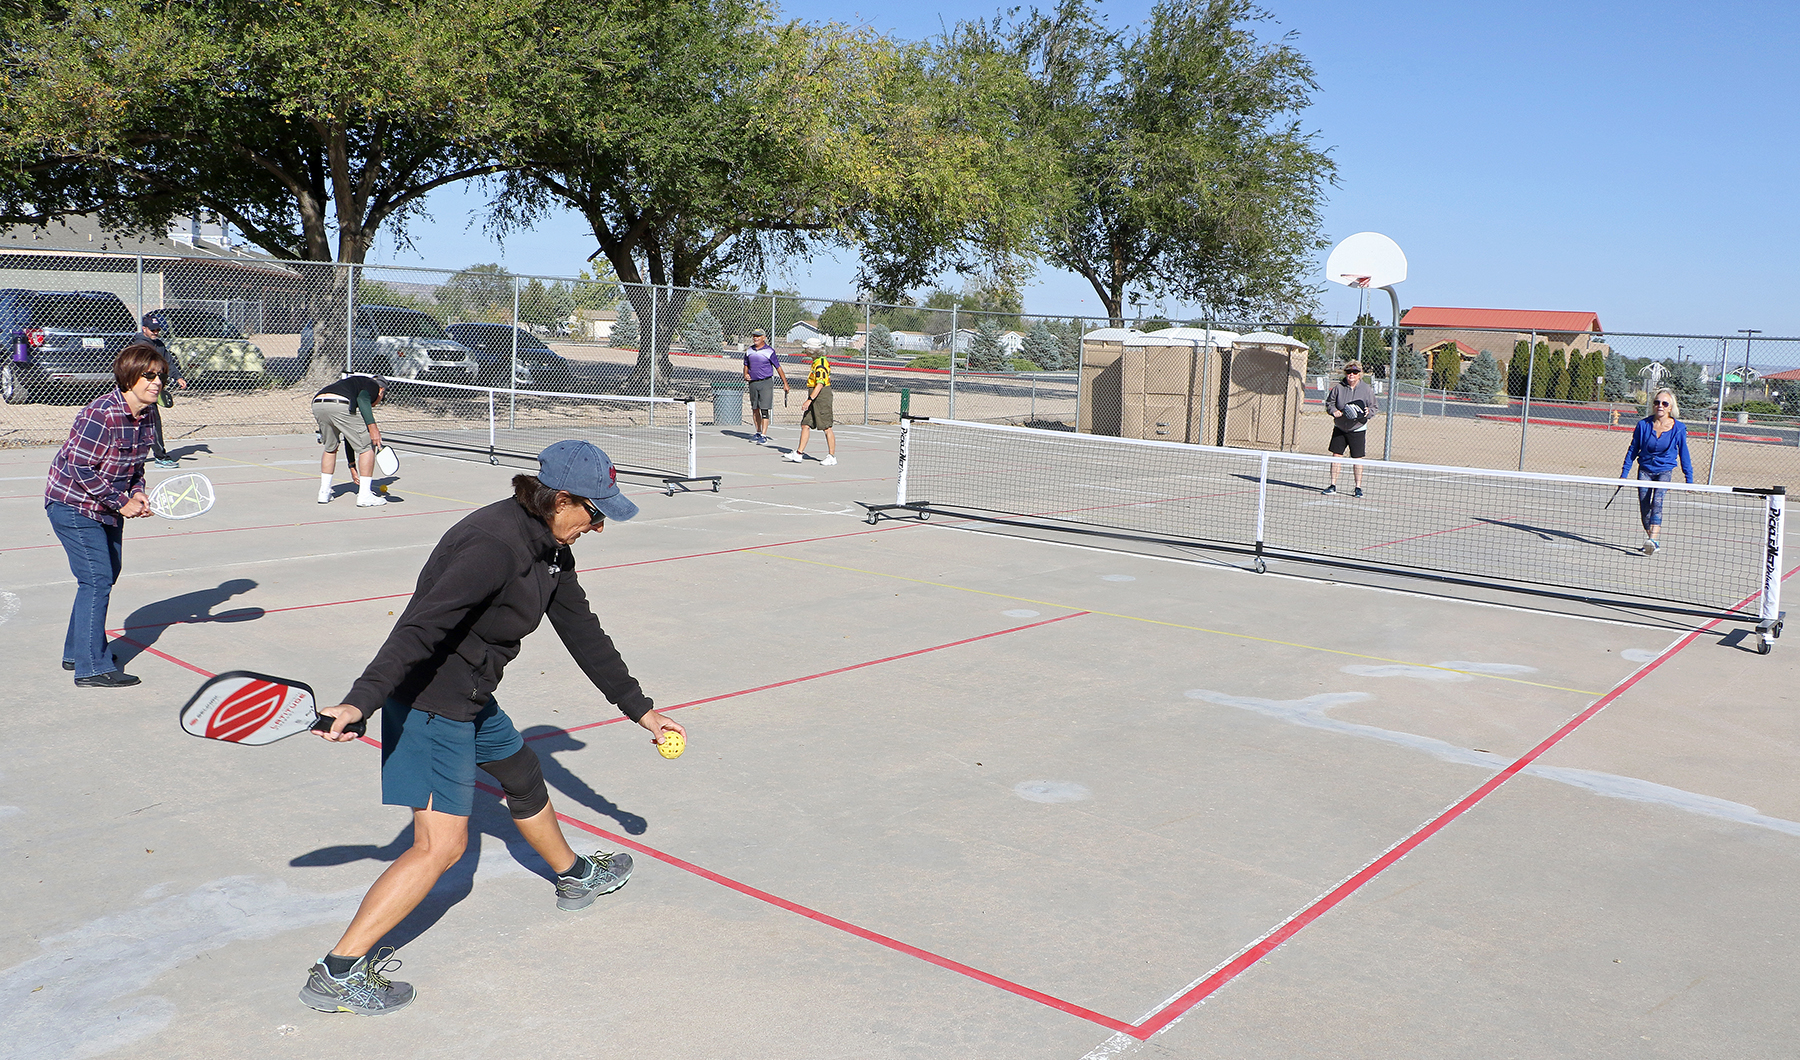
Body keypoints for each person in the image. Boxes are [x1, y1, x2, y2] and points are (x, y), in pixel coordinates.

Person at [301, 439, 685, 1016]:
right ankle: (337, 971)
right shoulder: (492, 546)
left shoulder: (550, 548)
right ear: (561, 499)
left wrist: (641, 709)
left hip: (472, 695)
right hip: (432, 703)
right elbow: (419, 627)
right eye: (595, 512)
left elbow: (582, 630)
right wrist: (362, 702)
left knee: (521, 771)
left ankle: (574, 875)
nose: (599, 526)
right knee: (441, 847)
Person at [42, 343, 166, 687]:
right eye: (149, 376)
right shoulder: (101, 414)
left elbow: (136, 464)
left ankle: (76, 651)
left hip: (106, 506)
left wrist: (137, 491)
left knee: (106, 574)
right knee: (96, 578)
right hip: (72, 504)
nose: (156, 382)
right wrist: (120, 501)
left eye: (160, 376)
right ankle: (91, 668)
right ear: (128, 378)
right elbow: (79, 466)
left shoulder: (148, 414)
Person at [1620, 386, 1693, 556]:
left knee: (1657, 502)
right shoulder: (1643, 425)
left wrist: (1689, 479)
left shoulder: (1679, 428)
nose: (1660, 406)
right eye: (1657, 402)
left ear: (1671, 407)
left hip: (1664, 470)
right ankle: (1652, 541)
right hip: (1645, 470)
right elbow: (1633, 450)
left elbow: (1684, 453)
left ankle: (1652, 539)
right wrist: (1624, 474)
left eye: (1664, 403)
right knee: (1645, 506)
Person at [313, 373, 387, 506]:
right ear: (381, 391)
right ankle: (365, 495)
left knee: (330, 448)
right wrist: (373, 428)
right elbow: (363, 399)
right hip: (340, 403)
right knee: (368, 446)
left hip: (318, 402)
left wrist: (352, 466)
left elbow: (349, 437)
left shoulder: (354, 386)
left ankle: (324, 493)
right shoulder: (373, 385)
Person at [138, 311, 186, 468]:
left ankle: (160, 456)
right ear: (144, 329)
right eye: (153, 330)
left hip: (151, 391)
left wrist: (177, 377)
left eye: (158, 329)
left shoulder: (159, 345)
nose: (156, 332)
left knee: (154, 422)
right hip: (137, 392)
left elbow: (168, 362)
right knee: (132, 424)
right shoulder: (138, 346)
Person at [1322, 361, 1378, 497]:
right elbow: (1329, 403)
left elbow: (1374, 407)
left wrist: (1368, 412)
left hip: (1358, 428)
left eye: (1355, 372)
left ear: (1360, 374)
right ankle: (1333, 485)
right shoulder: (1338, 388)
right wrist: (1333, 411)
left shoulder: (1366, 389)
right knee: (1336, 456)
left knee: (1357, 458)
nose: (1351, 375)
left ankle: (1358, 487)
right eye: (1348, 372)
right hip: (1340, 427)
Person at [782, 339, 838, 465]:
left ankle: (831, 456)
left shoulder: (821, 364)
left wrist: (809, 400)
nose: (805, 351)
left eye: (807, 348)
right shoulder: (815, 362)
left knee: (826, 426)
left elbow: (820, 384)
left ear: (813, 350)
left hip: (821, 396)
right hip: (814, 393)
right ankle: (798, 453)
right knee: (805, 424)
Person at [742, 328, 788, 444]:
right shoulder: (749, 351)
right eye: (754, 336)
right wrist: (745, 374)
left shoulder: (769, 351)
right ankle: (758, 432)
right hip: (753, 383)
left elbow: (778, 367)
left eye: (758, 336)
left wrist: (785, 383)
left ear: (764, 338)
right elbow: (746, 365)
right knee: (755, 408)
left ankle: (763, 435)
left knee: (764, 409)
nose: (755, 338)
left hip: (765, 383)